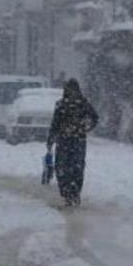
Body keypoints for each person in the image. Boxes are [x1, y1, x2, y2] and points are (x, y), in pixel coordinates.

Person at [47, 79, 99, 207]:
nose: (72, 93)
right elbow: (55, 124)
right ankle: (70, 194)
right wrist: (85, 127)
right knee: (71, 167)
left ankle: (71, 194)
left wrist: (85, 127)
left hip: (71, 140)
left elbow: (94, 118)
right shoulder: (69, 104)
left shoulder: (77, 104)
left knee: (70, 167)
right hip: (71, 140)